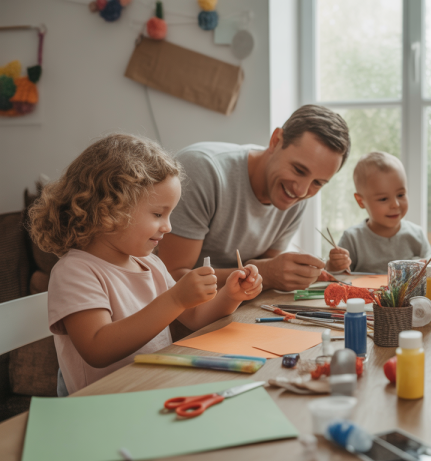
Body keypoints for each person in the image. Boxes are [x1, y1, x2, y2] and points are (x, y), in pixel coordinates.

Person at [28, 134, 262, 395]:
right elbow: (97, 349)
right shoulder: (75, 271)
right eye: (158, 214)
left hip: (154, 390)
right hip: (101, 408)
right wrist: (175, 299)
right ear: (108, 210)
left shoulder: (151, 265)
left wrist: (231, 294)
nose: (168, 226)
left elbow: (196, 318)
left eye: (170, 214)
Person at [158, 105, 351, 292]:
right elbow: (171, 277)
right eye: (299, 170)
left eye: (318, 183)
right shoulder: (203, 170)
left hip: (232, 307)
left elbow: (264, 271)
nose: (301, 191)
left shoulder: (294, 195)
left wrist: (278, 273)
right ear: (276, 141)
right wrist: (266, 274)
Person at [326, 151, 431, 274]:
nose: (395, 204)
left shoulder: (416, 235)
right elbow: (336, 276)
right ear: (361, 201)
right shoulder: (352, 239)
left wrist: (426, 265)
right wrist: (334, 266)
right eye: (383, 199)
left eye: (401, 195)